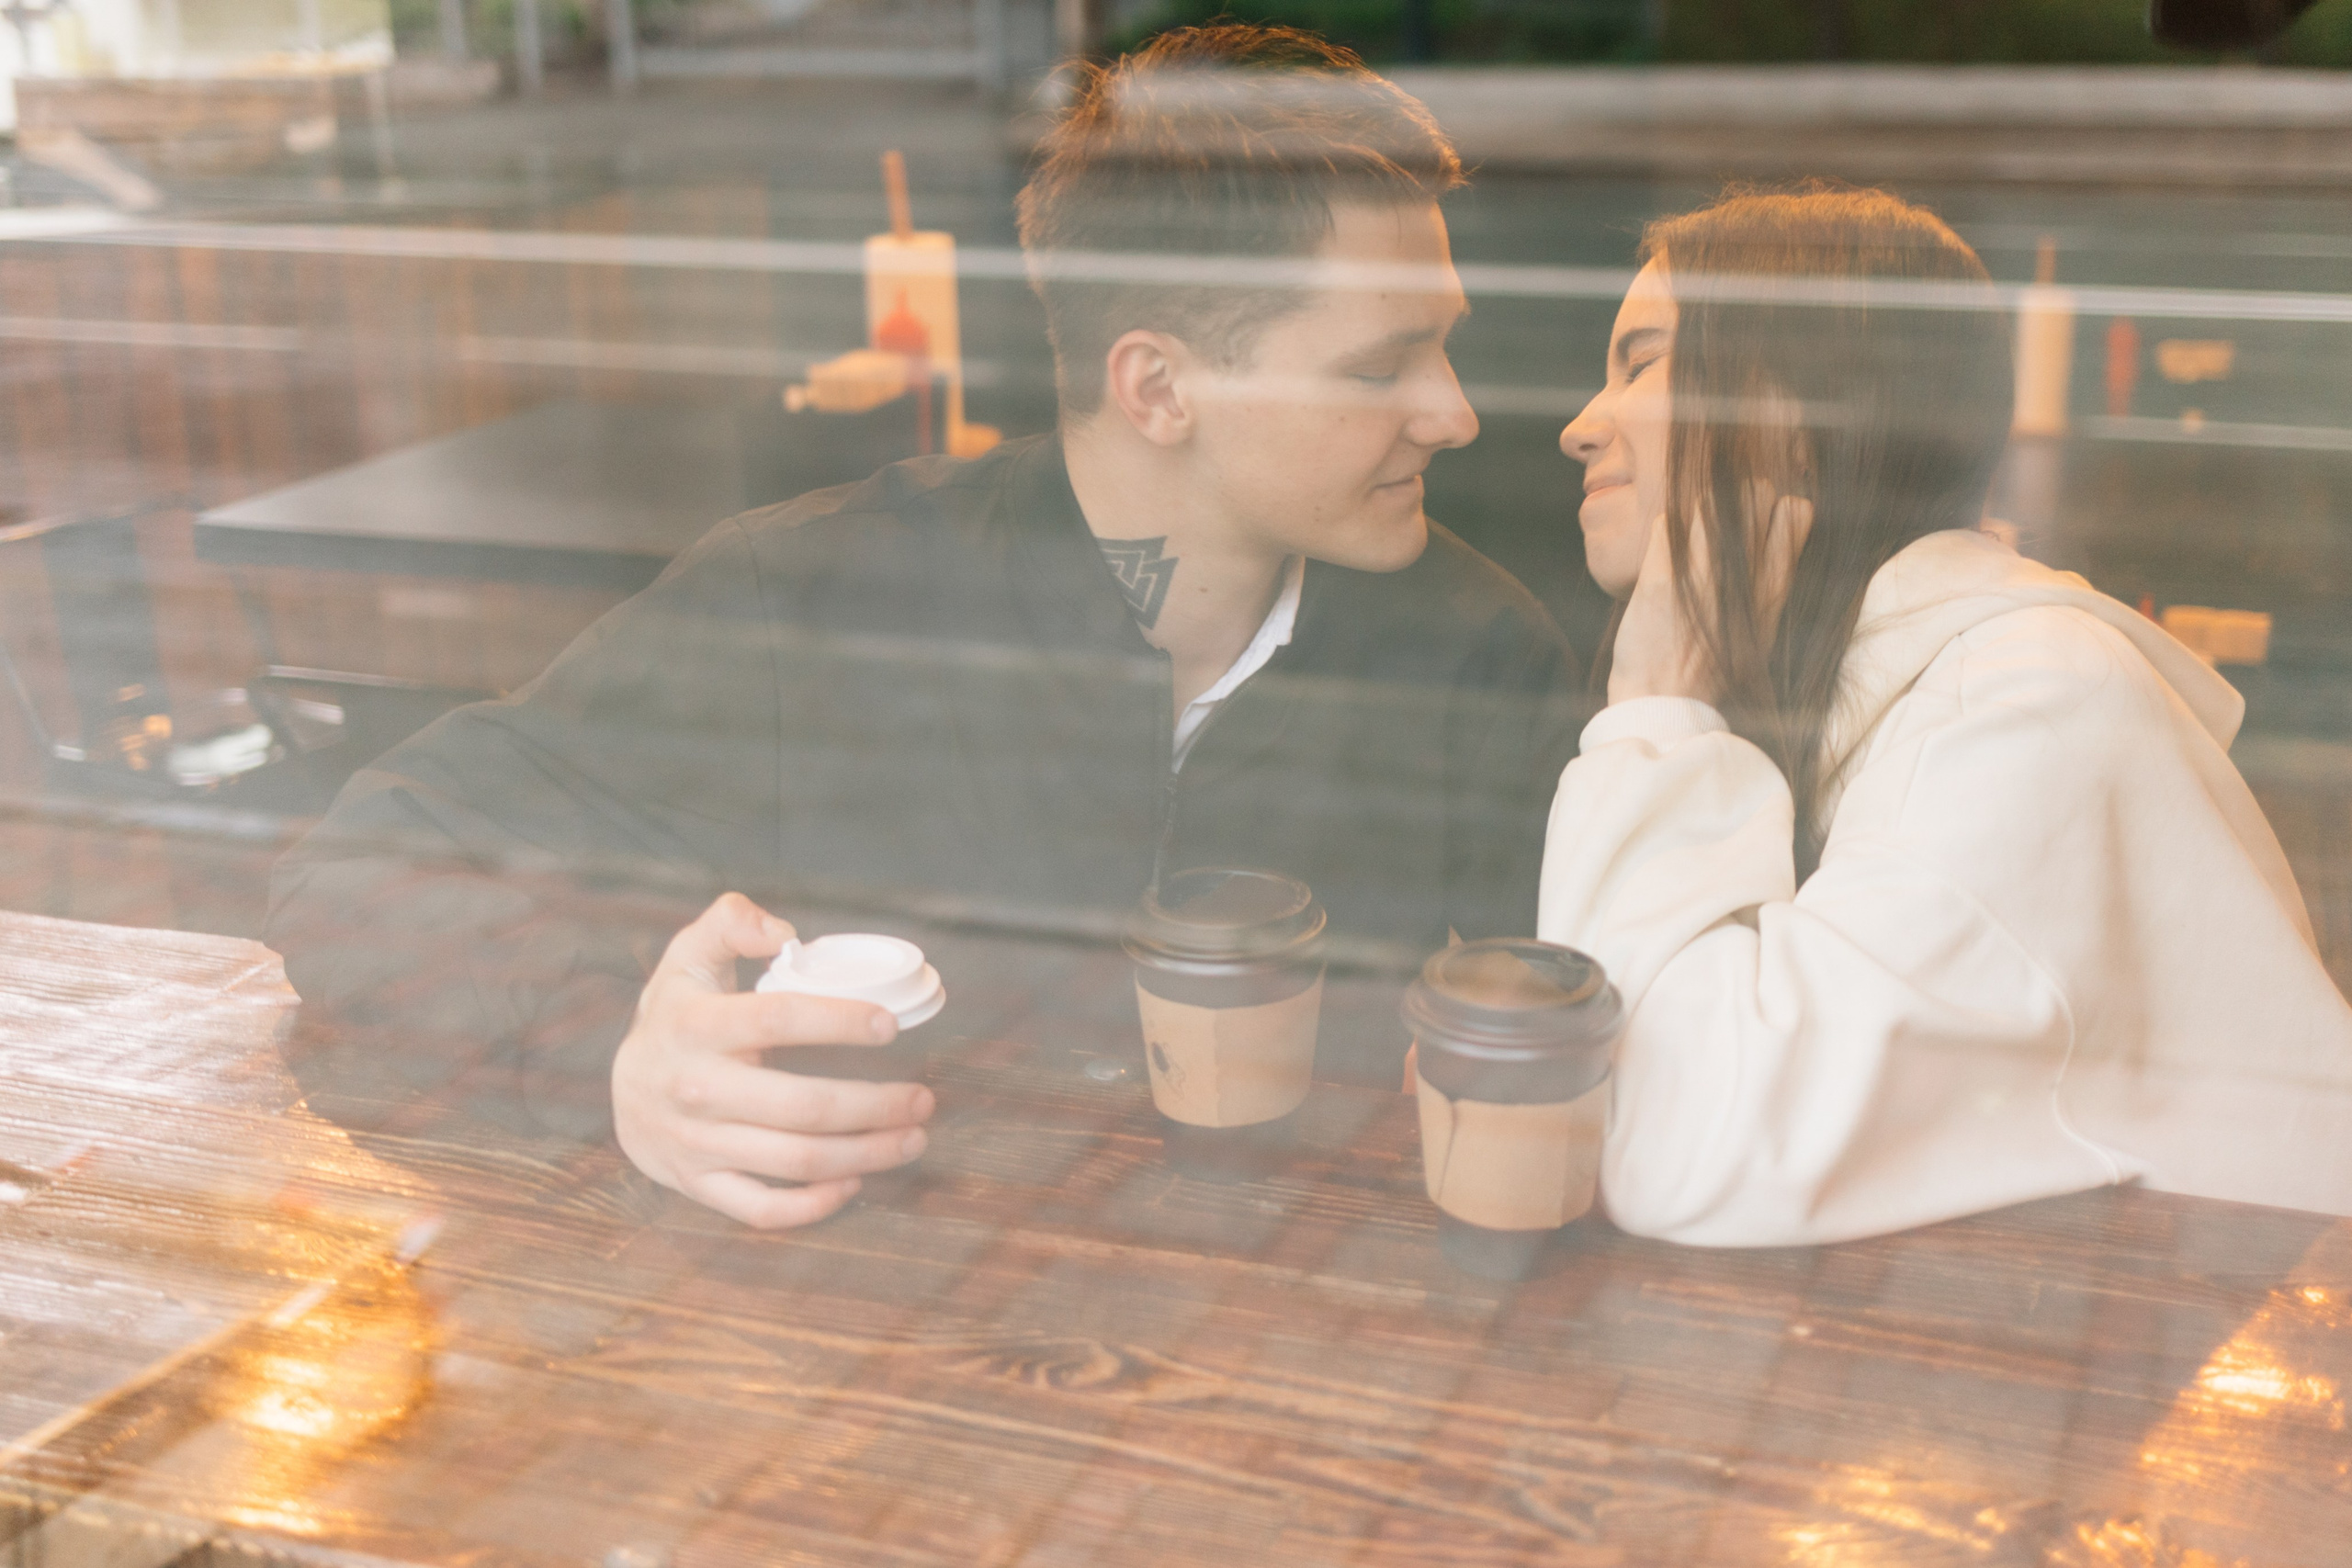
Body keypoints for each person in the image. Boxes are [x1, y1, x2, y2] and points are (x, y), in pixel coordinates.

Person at [266, 24, 1580, 1230]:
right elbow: (361, 867)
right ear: (1158, 388)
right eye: (1379, 364)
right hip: (868, 1338)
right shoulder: (818, 599)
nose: (1453, 412)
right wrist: (615, 1056)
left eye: (1442, 347)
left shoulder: (1479, 656)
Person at [1542, 185, 2352, 1246]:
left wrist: (1657, 707)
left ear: (1791, 425)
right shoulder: (1873, 680)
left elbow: (1689, 1146)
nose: (1578, 428)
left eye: (1641, 364)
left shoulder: (2024, 700)